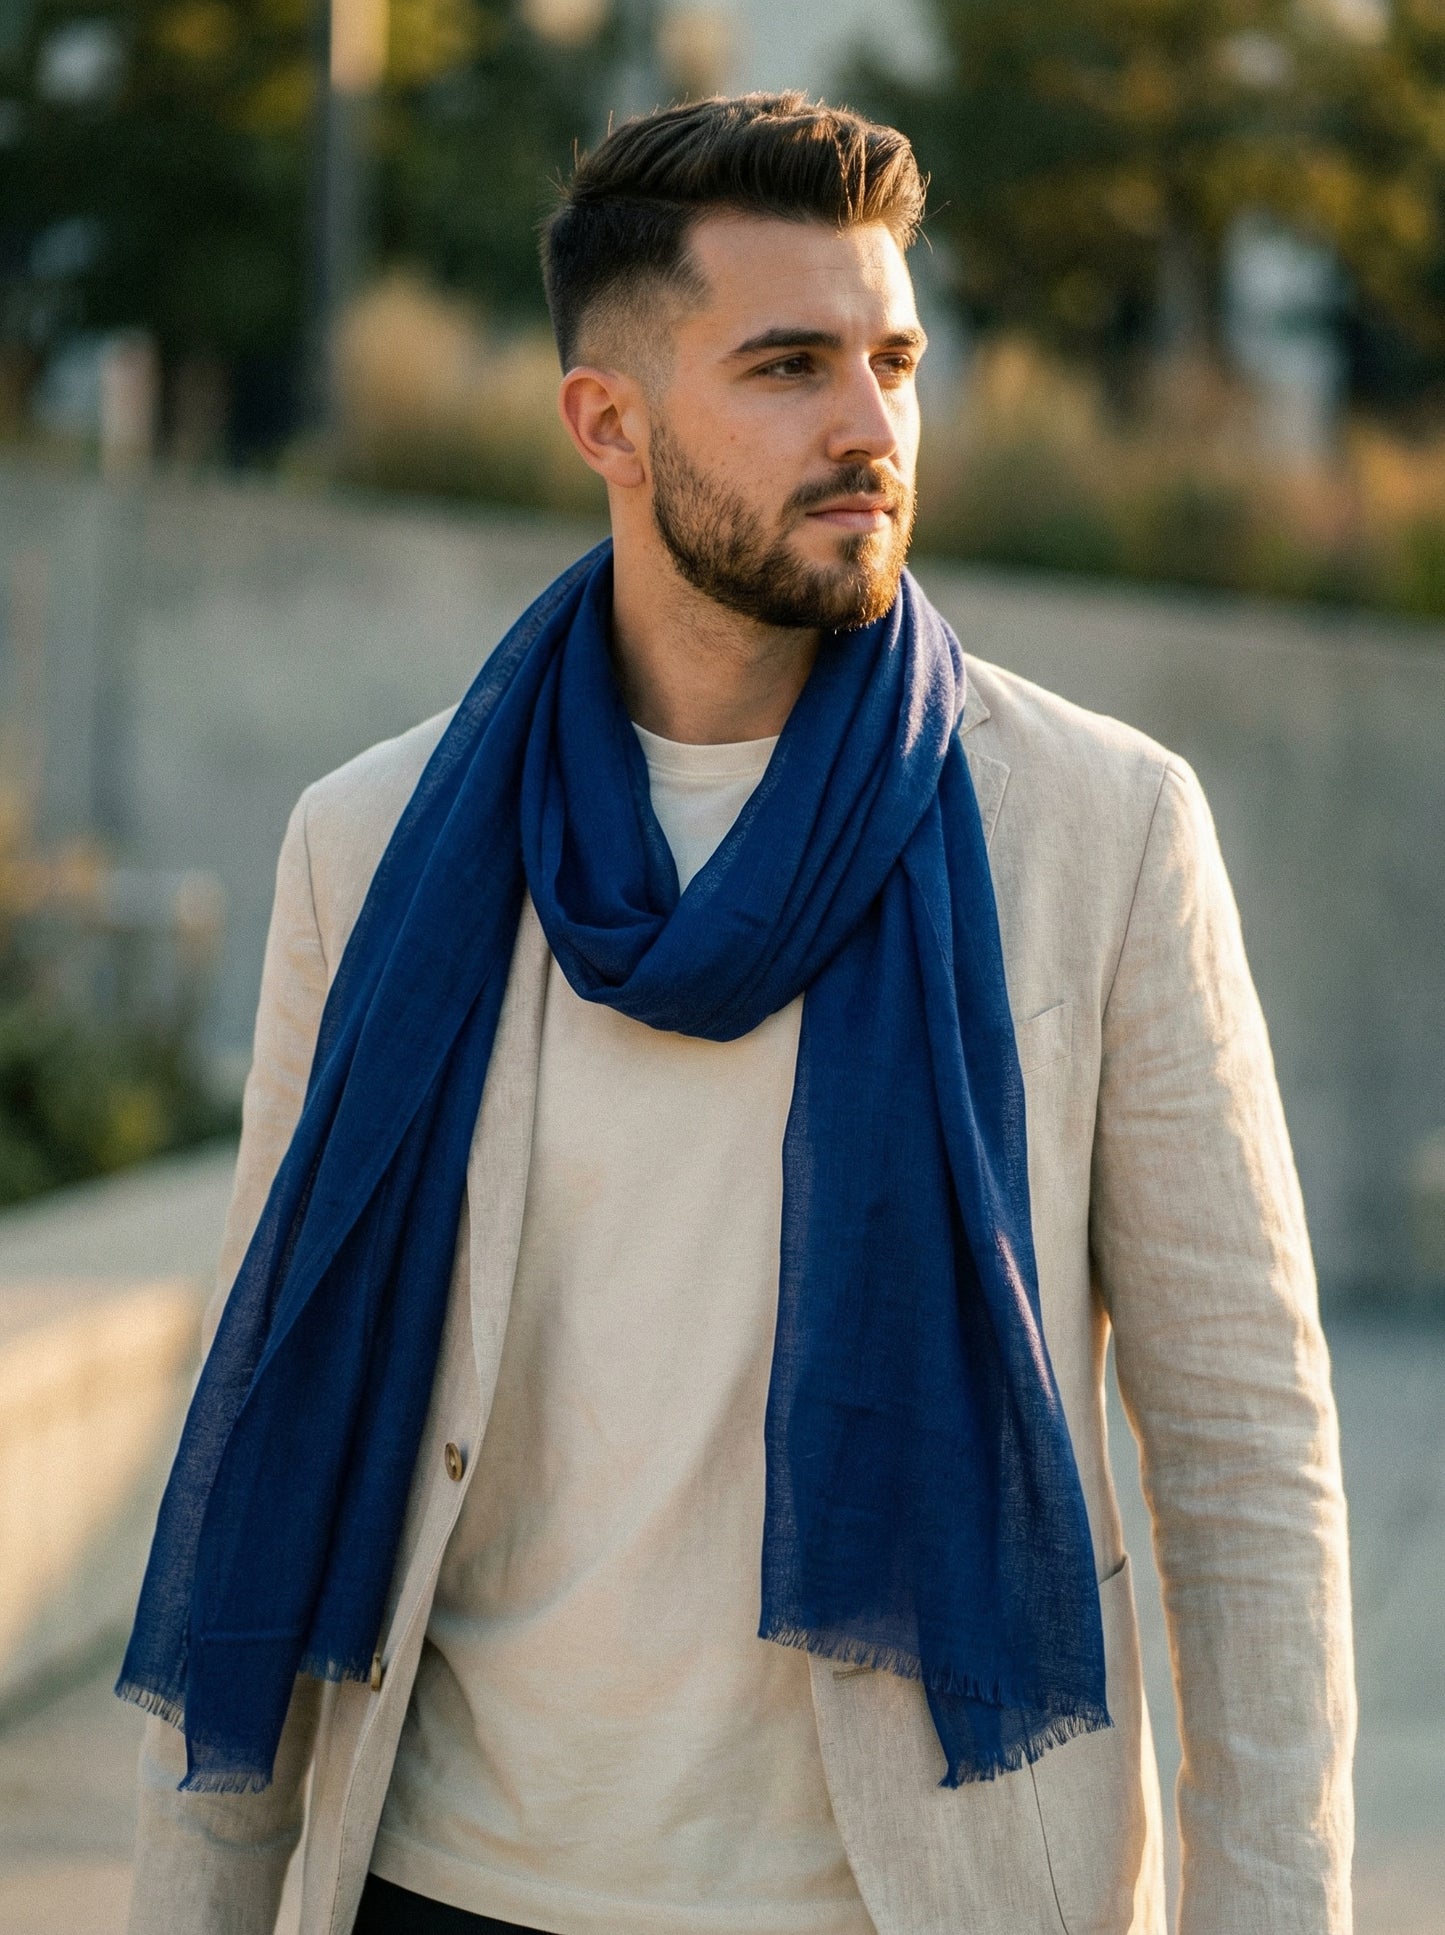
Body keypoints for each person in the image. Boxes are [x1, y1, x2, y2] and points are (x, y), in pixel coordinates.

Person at [122, 93, 1354, 1935]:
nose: (870, 427)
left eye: (894, 359)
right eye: (788, 365)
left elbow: (1247, 1466)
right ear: (605, 424)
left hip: (906, 1894)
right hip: (442, 1880)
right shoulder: (368, 850)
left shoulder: (1096, 836)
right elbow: (267, 1414)